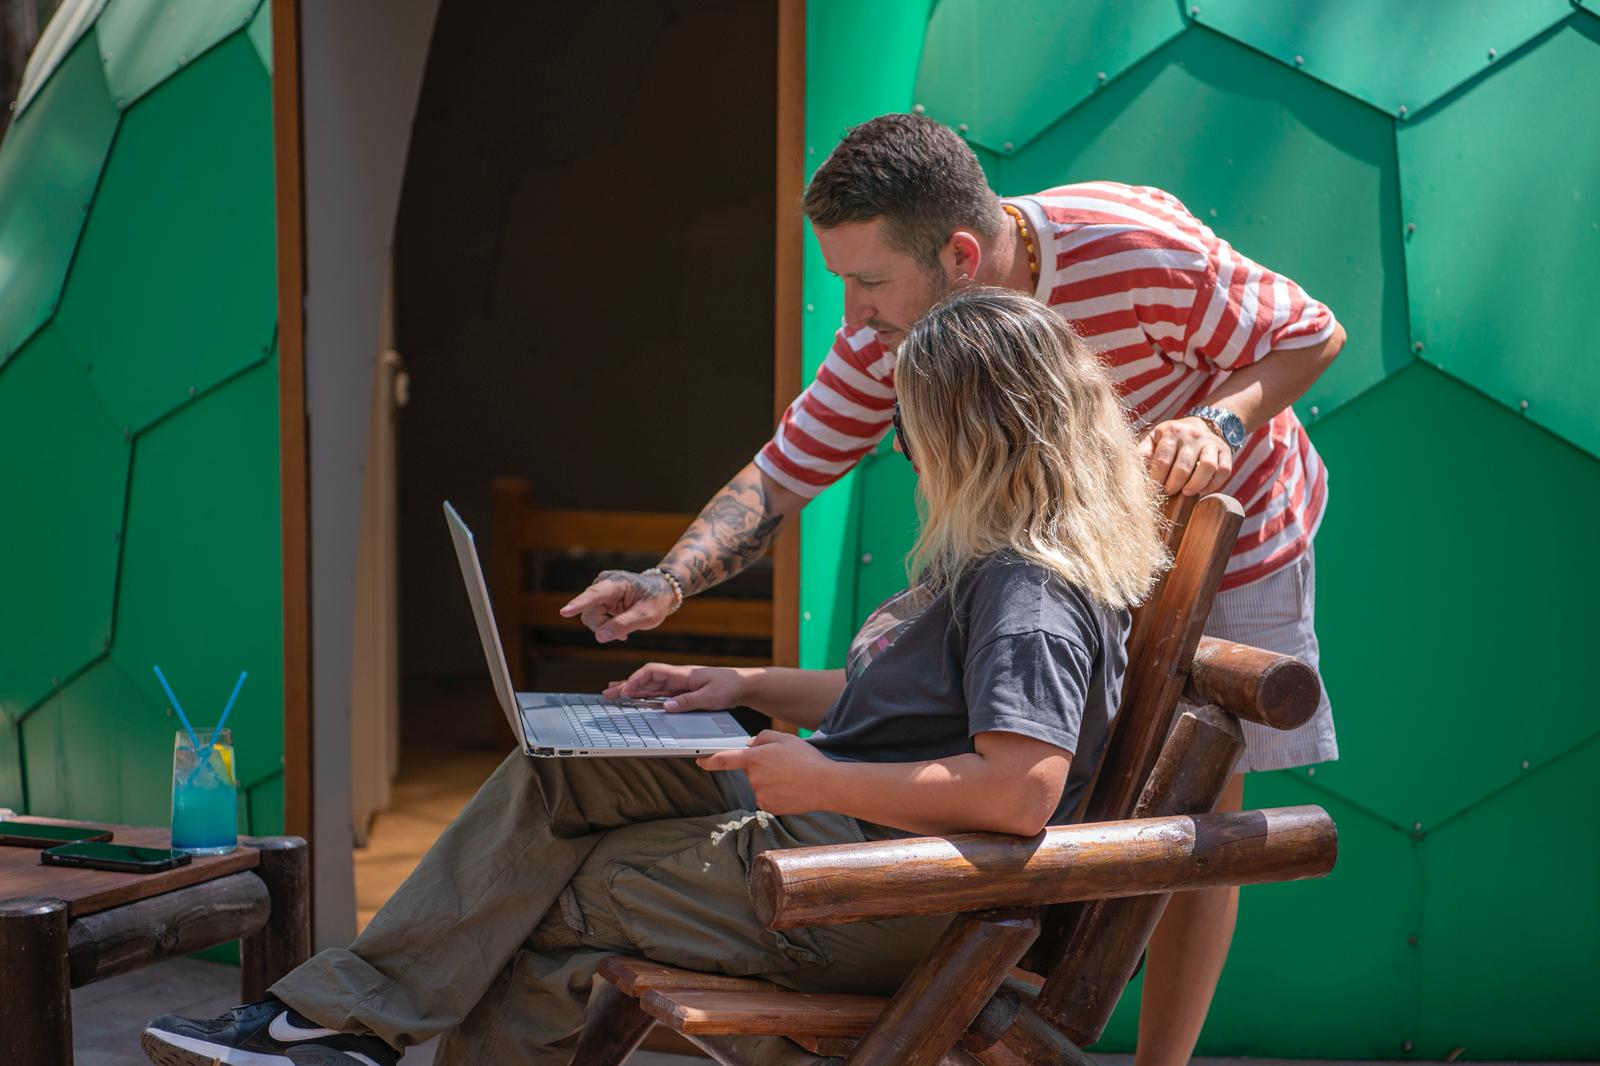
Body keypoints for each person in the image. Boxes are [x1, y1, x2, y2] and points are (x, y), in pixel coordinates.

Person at [140, 288, 1168, 1066]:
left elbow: (1018, 789)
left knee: (569, 894)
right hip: (842, 826)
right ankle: (331, 1025)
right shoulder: (995, 557)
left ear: (972, 434)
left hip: (874, 885)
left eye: (909, 426)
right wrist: (740, 685)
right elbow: (919, 706)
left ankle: (337, 1032)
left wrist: (819, 777)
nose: (899, 449)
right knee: (561, 770)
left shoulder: (1028, 587)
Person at [560, 113, 1346, 1065]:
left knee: (1197, 810)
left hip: (1235, 524)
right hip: (1060, 547)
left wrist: (1219, 421)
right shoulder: (893, 332)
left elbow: (1312, 332)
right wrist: (665, 581)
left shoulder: (1133, 247)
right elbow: (784, 472)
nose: (852, 313)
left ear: (961, 256)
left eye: (866, 281)